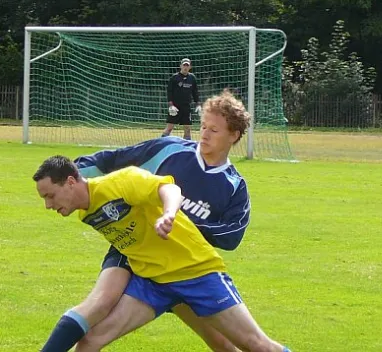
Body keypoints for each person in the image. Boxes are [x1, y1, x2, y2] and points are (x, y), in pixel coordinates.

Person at [40, 90, 256, 352]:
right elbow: (114, 158)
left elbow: (231, 236)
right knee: (100, 304)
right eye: (202, 127)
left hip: (181, 262)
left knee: (221, 343)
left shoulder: (233, 186)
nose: (204, 134)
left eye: (214, 130)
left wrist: (177, 221)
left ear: (234, 136)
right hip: (131, 244)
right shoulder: (170, 149)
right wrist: (68, 178)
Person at [33, 156, 290, 352]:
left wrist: (168, 214)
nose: (48, 205)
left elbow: (170, 190)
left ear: (70, 182)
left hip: (196, 273)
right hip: (152, 283)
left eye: (50, 195)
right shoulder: (85, 213)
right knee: (90, 342)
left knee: (255, 346)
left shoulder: (121, 182)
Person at [162, 57, 201, 140]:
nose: (185, 67)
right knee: (169, 128)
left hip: (186, 107)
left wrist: (198, 104)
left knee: (187, 129)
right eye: (184, 65)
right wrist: (171, 105)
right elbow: (169, 92)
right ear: (180, 66)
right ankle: (160, 145)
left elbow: (195, 92)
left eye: (187, 65)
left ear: (190, 67)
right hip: (175, 107)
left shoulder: (192, 78)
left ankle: (187, 148)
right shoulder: (174, 78)